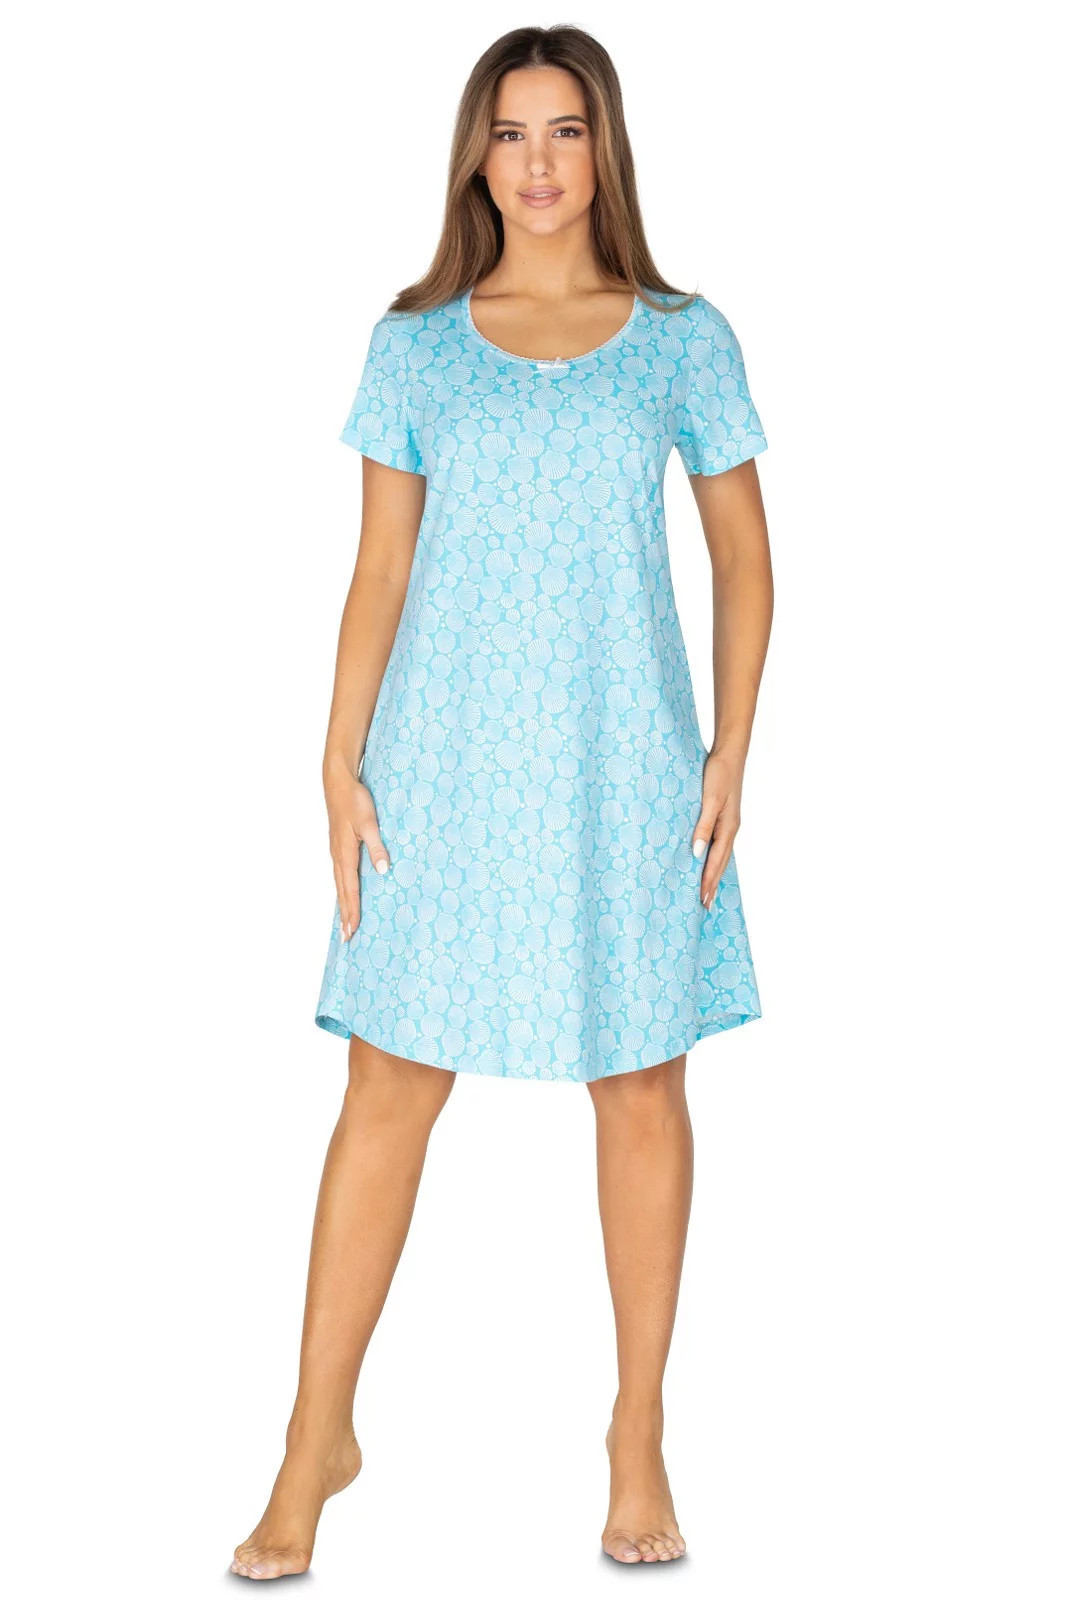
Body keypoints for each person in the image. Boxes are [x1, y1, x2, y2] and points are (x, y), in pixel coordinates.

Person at [231, 22, 773, 1579]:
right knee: (388, 1086)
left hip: (627, 762)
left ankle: (638, 1432)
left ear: (607, 149)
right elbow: (378, 570)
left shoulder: (681, 337)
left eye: (567, 131)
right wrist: (336, 759)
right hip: (444, 764)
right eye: (513, 132)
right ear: (477, 154)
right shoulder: (415, 343)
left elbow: (747, 560)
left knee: (641, 1085)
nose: (539, 163)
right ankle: (312, 1440)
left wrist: (732, 750)